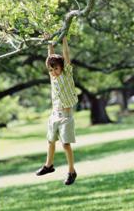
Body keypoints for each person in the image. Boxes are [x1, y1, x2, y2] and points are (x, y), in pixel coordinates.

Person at [36, 36, 78, 185]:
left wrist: (64, 37)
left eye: (56, 68)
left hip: (66, 117)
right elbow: (50, 56)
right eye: (51, 69)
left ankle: (71, 171)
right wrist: (49, 41)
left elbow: (65, 54)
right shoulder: (52, 78)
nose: (53, 71)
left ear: (62, 67)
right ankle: (49, 165)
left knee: (65, 144)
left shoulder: (67, 75)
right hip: (54, 115)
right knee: (50, 141)